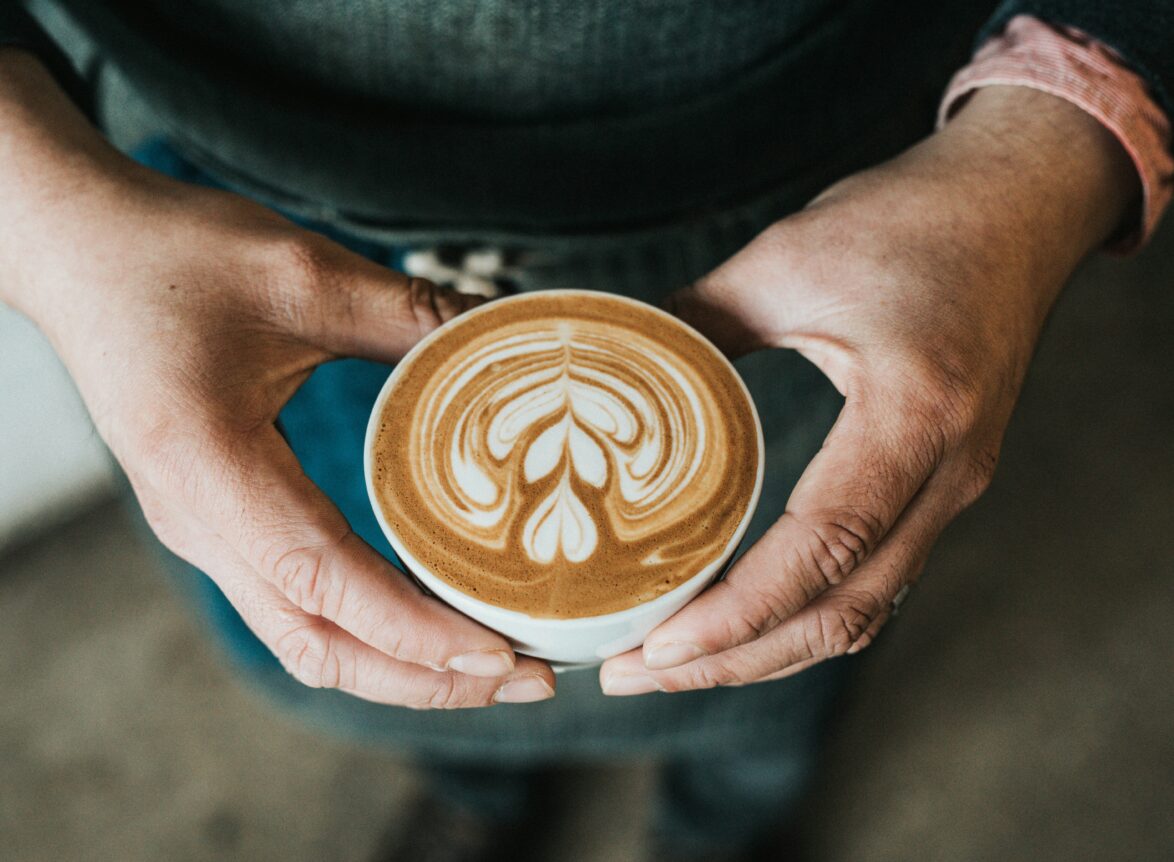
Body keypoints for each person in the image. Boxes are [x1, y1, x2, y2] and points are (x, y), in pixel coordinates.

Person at [1, 2, 1169, 860]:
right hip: (215, 219)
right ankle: (483, 782)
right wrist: (42, 212)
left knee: (792, 619)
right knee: (395, 635)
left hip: (807, 206)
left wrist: (1044, 148)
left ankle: (728, 821)